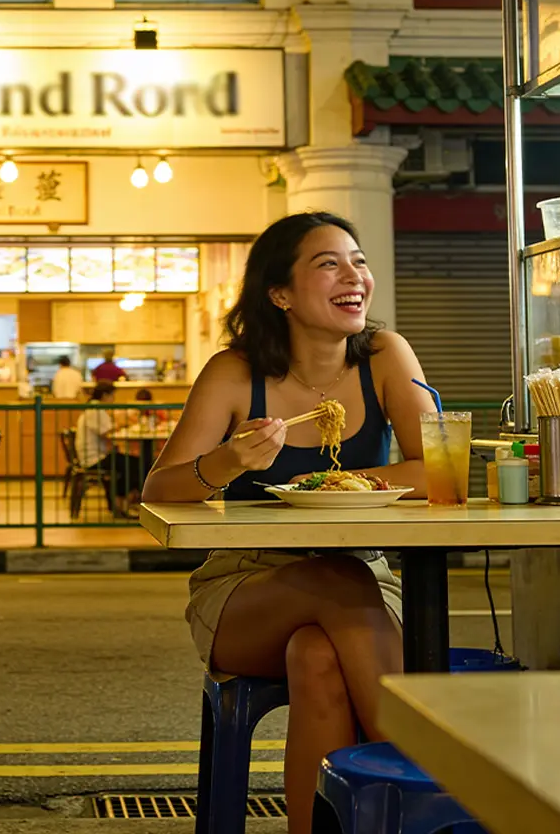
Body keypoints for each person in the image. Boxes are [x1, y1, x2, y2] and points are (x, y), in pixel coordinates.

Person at [142, 211, 436, 833]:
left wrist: (339, 484)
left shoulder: (383, 354)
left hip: (363, 579)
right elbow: (159, 491)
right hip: (245, 589)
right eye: (328, 263)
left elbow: (439, 471)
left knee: (318, 657)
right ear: (280, 294)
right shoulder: (234, 372)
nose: (353, 275)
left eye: (357, 260)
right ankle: (426, 784)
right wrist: (226, 460)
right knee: (336, 583)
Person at [76, 381, 125, 515]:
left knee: (126, 461)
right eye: (112, 396)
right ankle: (121, 505)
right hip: (94, 458)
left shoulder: (94, 408)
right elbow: (106, 432)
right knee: (130, 463)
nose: (113, 400)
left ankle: (119, 504)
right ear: (104, 395)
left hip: (92, 455)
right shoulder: (95, 410)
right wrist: (123, 424)